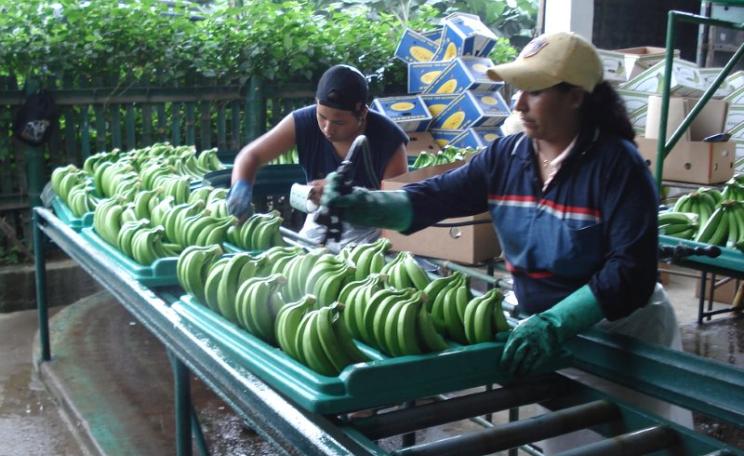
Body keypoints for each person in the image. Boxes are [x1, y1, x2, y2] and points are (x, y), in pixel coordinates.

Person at [322, 32, 682, 373]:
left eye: (535, 91)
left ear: (576, 96)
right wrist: (364, 204)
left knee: (644, 436)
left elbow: (632, 270)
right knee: (573, 436)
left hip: (626, 337)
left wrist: (557, 321)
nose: (518, 103)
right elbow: (438, 195)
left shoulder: (619, 167)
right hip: (545, 334)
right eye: (518, 89)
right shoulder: (507, 157)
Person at [227, 64, 409, 247]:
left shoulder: (389, 141)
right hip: (320, 221)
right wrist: (240, 186)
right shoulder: (303, 122)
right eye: (322, 117)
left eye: (339, 122)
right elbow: (250, 156)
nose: (328, 128)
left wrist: (352, 199)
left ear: (362, 113)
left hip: (371, 231)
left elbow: (398, 208)